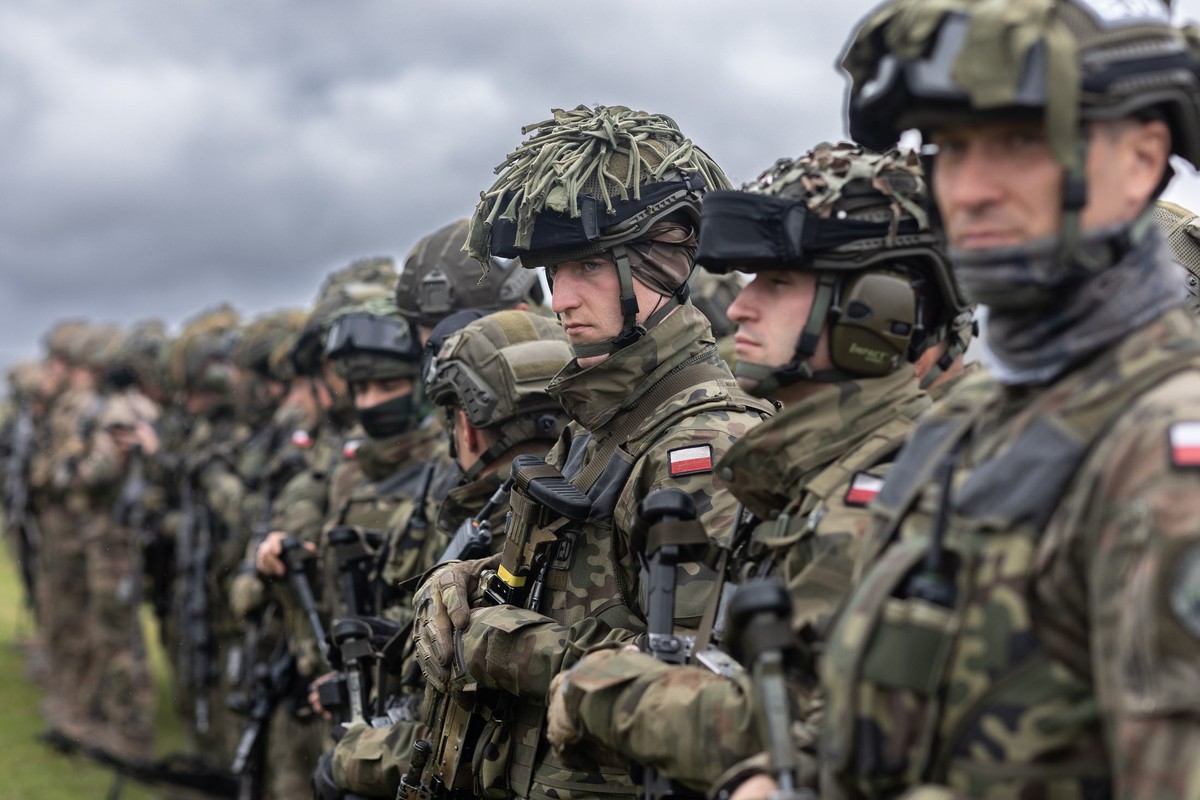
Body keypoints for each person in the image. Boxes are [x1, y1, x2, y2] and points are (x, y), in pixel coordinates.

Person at [811, 2, 1200, 797]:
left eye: (1019, 141)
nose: (972, 189)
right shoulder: (969, 419)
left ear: (1139, 161)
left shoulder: (1166, 454)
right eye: (951, 148)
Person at [545, 143, 971, 794]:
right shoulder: (801, 479)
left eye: (776, 283)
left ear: (877, 309)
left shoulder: (888, 498)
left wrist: (602, 689)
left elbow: (810, 730)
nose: (740, 308)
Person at [410, 104, 775, 800]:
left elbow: (706, 684)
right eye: (555, 272)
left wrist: (499, 645)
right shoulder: (597, 420)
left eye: (587, 266)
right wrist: (470, 581)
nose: (563, 299)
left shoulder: (705, 444)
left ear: (663, 264)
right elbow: (581, 587)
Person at [317, 308, 574, 798]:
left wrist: (348, 760)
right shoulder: (599, 505)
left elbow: (456, 740)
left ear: (467, 426)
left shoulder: (498, 536)